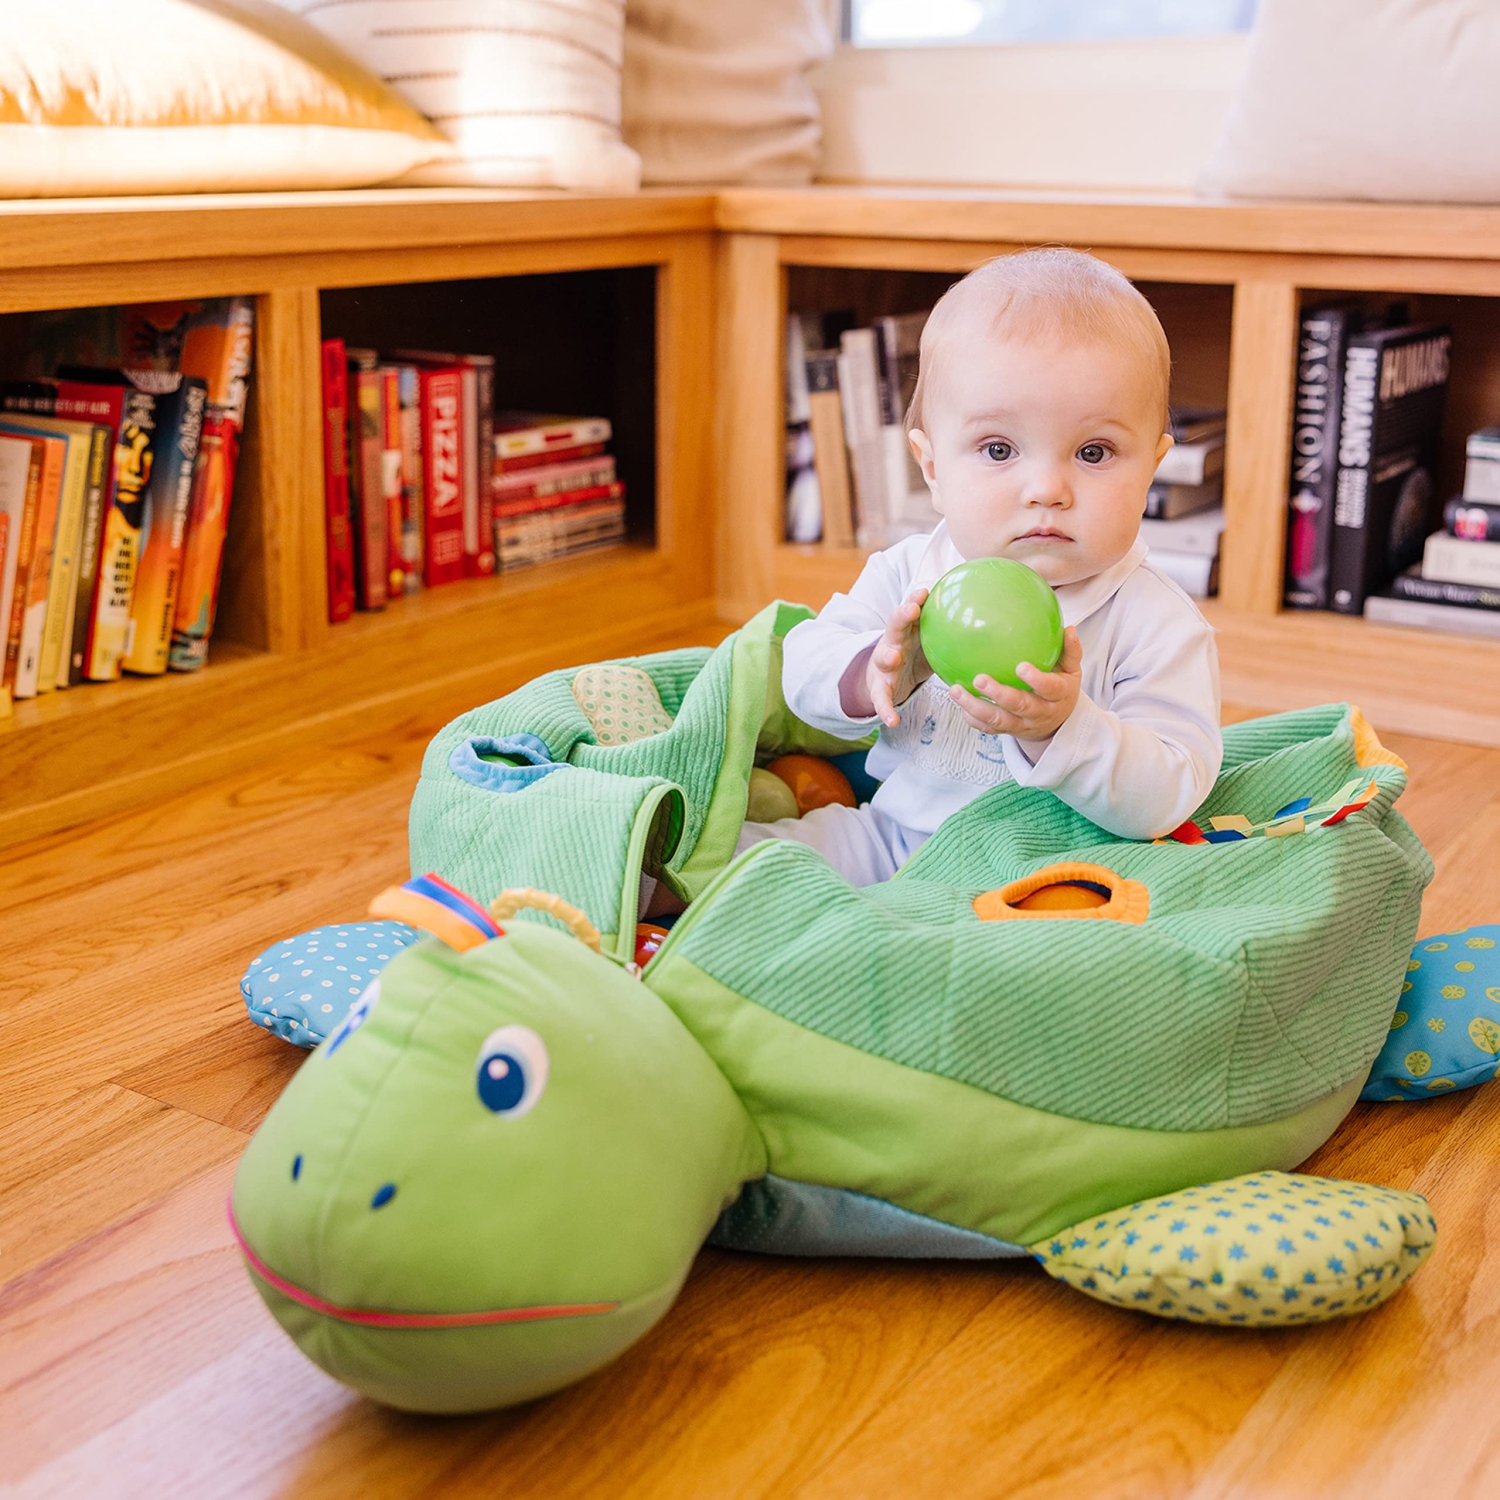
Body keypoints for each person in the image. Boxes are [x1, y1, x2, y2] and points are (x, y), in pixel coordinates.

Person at [745, 247, 1223, 887]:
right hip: (896, 840)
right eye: (999, 449)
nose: (1047, 488)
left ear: (1152, 469)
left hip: (1051, 879)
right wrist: (873, 669)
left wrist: (1063, 729)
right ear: (933, 467)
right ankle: (629, 887)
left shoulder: (1156, 622)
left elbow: (1172, 789)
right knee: (751, 858)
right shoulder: (910, 573)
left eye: (1094, 451)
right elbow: (802, 670)